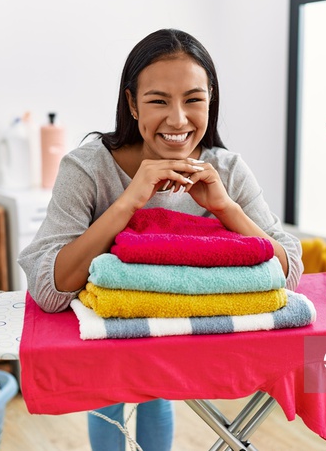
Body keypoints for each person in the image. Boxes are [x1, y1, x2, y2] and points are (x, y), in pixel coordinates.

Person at [19, 28, 303, 451]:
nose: (178, 119)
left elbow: (289, 272)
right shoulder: (87, 169)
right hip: (110, 338)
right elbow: (48, 289)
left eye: (193, 99)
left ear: (211, 99)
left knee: (156, 392)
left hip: (188, 341)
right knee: (110, 397)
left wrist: (226, 207)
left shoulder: (226, 169)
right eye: (158, 101)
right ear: (132, 103)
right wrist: (127, 203)